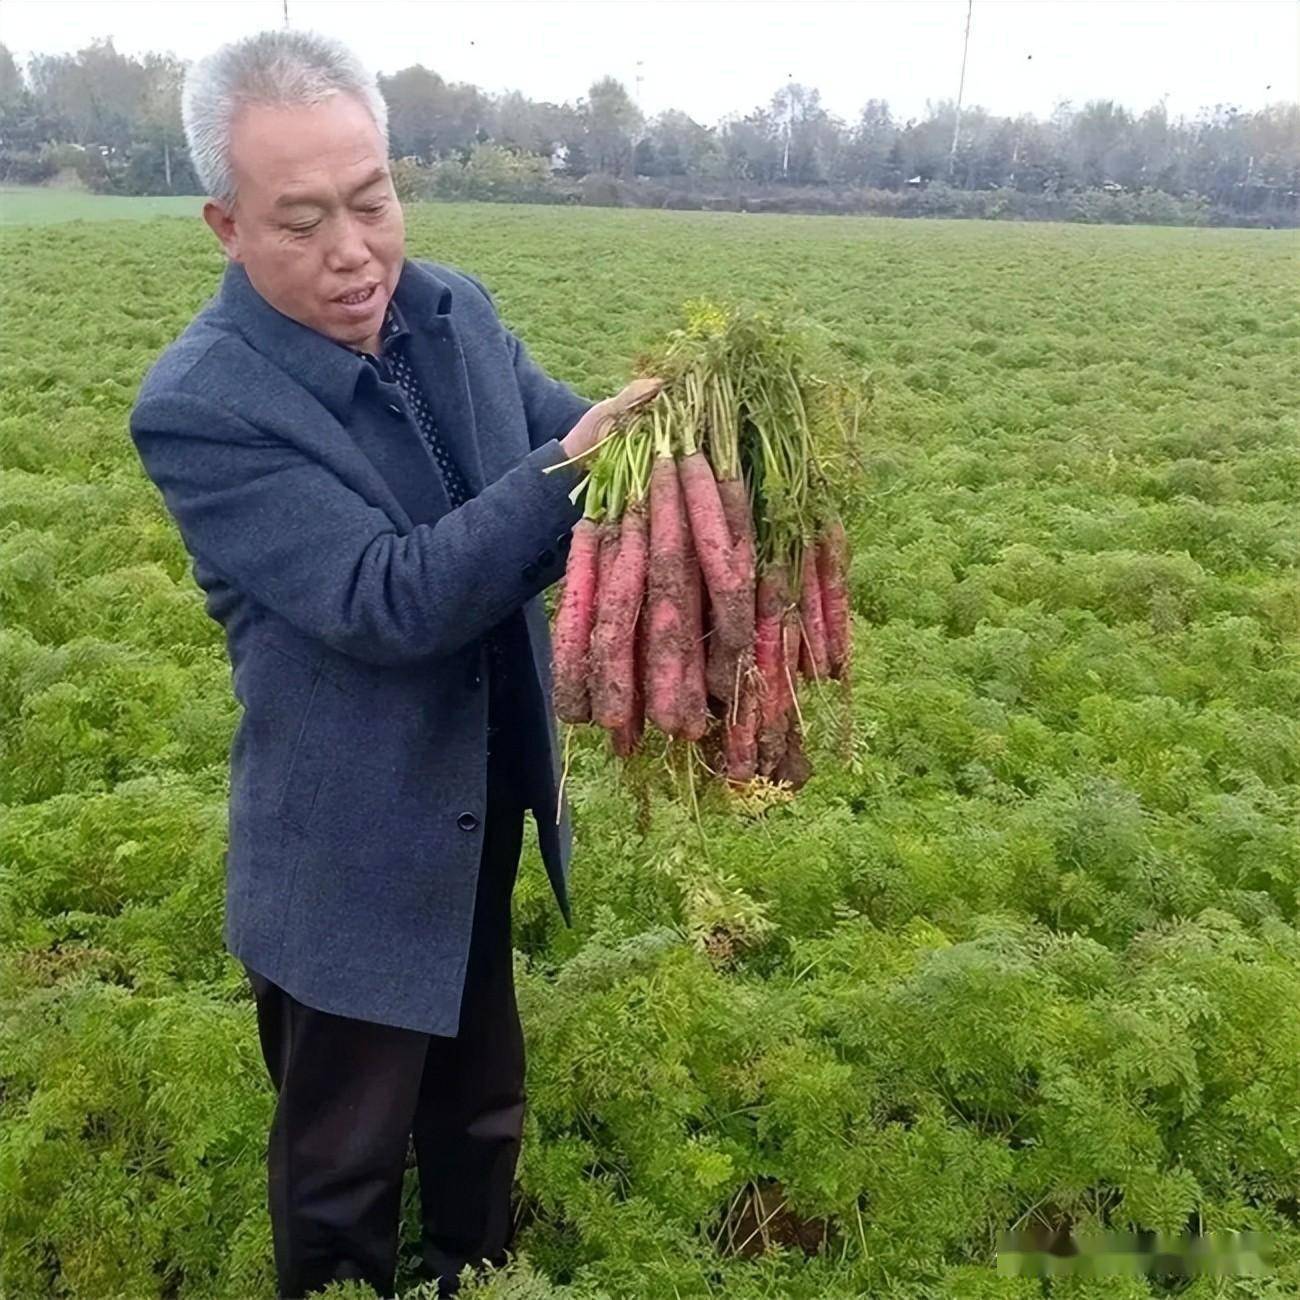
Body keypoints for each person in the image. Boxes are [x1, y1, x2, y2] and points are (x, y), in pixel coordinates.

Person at [128, 28, 658, 1300]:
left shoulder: (451, 309)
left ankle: (479, 1275)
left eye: (371, 202)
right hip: (348, 840)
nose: (354, 251)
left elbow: (561, 431)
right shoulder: (205, 404)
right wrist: (576, 469)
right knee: (343, 1162)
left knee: (480, 1101)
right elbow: (386, 598)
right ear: (226, 225)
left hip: (473, 797)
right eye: (302, 221)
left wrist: (684, 437)